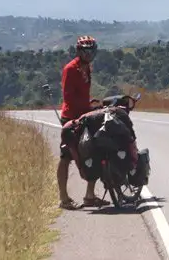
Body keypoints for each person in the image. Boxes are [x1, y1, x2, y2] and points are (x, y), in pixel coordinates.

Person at [57, 35, 110, 210]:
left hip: (85, 115)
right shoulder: (71, 69)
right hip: (71, 118)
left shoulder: (86, 67)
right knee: (66, 156)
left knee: (94, 151)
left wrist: (91, 105)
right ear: (79, 51)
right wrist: (84, 110)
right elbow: (68, 97)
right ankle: (63, 198)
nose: (88, 54)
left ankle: (90, 195)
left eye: (91, 51)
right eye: (85, 51)